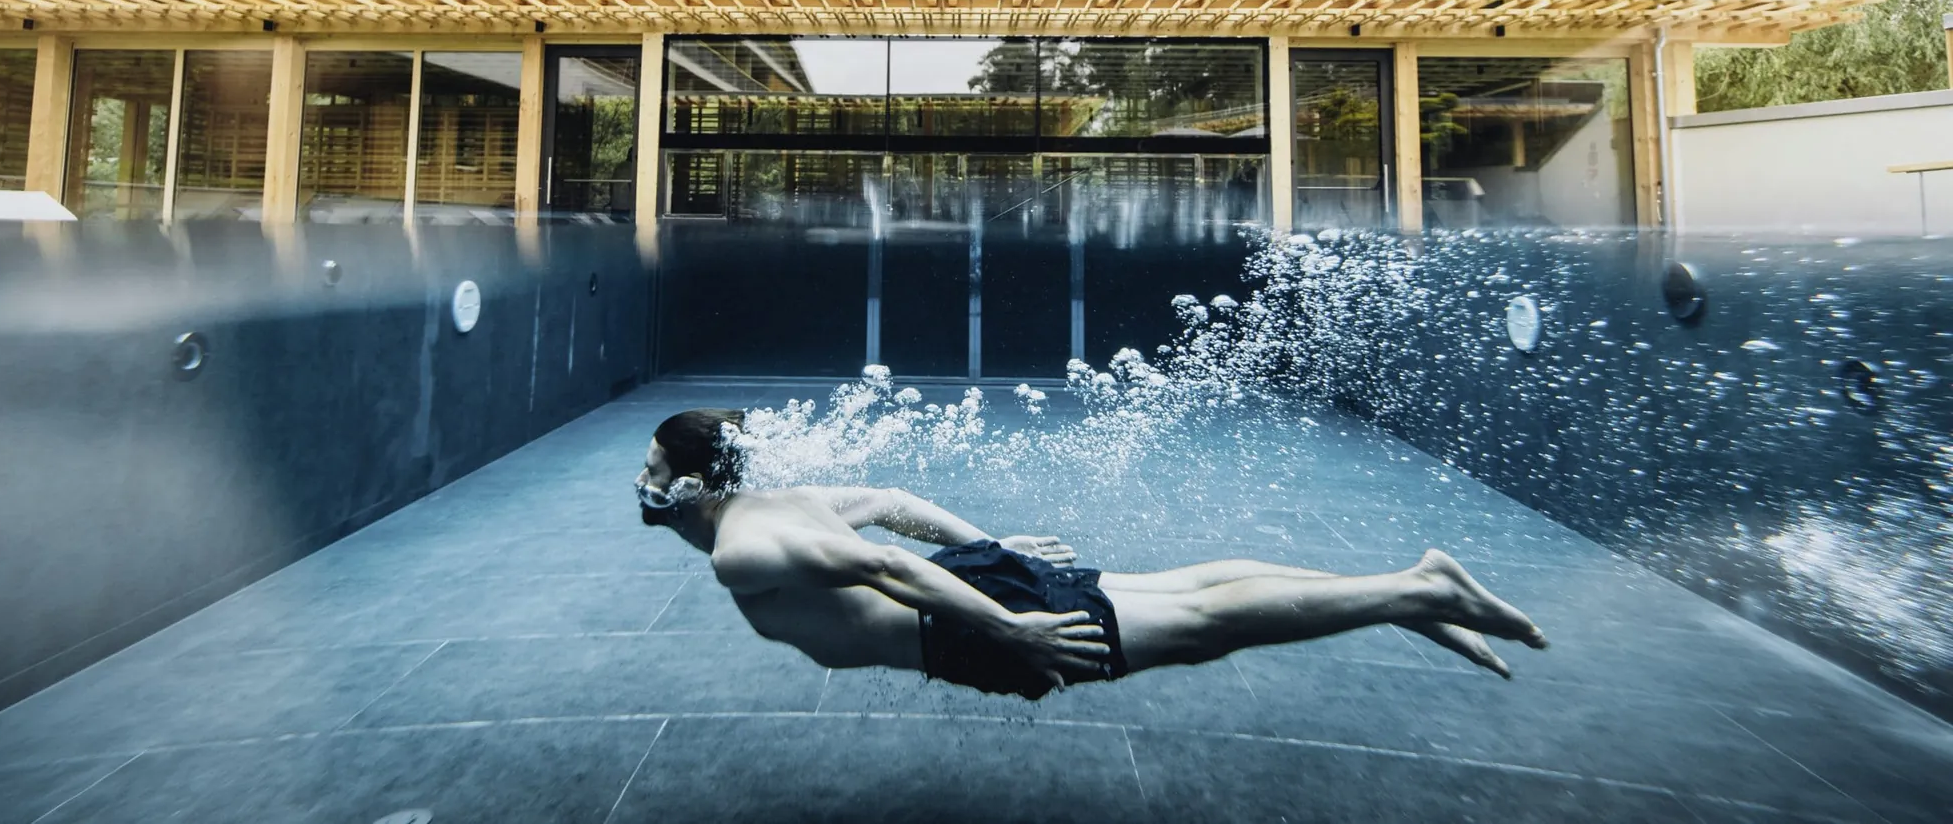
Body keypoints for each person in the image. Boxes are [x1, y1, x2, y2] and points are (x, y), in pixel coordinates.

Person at [638, 408, 1548, 699]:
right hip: (975, 586)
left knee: (1202, 622)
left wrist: (1017, 631)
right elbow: (891, 504)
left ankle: (1415, 589)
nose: (643, 489)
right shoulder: (773, 503)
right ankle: (1417, 599)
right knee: (1196, 590)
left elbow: (888, 567)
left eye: (651, 472)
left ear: (688, 483)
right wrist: (990, 549)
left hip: (960, 623)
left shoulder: (743, 548)